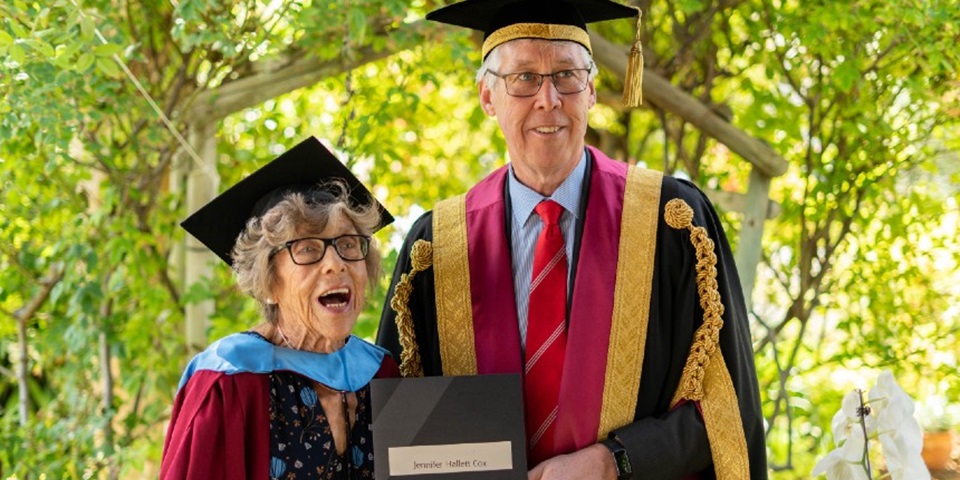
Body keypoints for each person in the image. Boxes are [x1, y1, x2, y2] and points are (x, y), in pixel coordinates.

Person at [376, 1, 767, 479]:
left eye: (566, 75)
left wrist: (616, 461)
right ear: (487, 96)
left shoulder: (673, 225)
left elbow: (729, 409)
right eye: (523, 78)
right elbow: (400, 433)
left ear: (593, 91)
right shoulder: (435, 249)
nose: (548, 99)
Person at [161, 136, 400, 479]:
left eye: (348, 244)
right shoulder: (227, 382)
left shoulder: (381, 373)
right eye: (306, 249)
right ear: (268, 282)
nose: (336, 264)